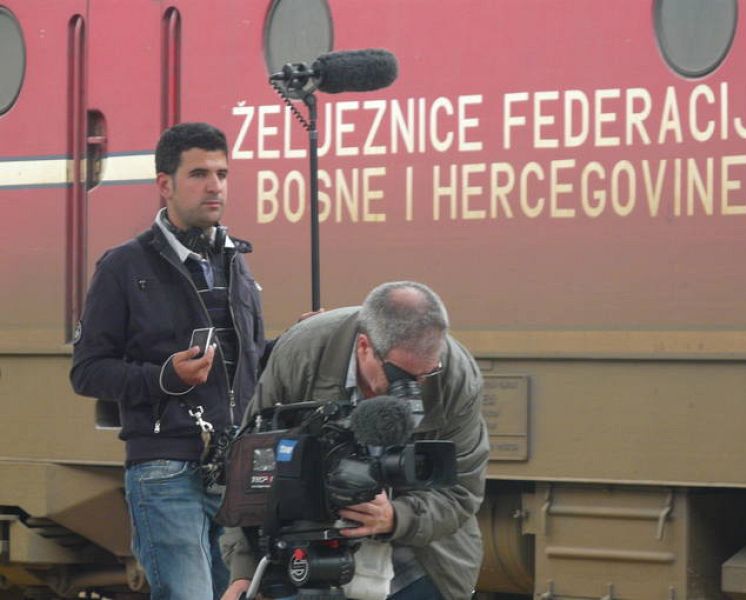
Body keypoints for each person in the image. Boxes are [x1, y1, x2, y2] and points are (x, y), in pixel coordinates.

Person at [71, 122, 274, 600]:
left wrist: (300, 340)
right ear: (165, 185)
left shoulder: (234, 262)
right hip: (164, 470)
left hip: (235, 469)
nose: (215, 186)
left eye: (222, 174)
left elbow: (249, 360)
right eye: (200, 173)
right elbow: (87, 371)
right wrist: (166, 377)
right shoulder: (122, 266)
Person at [221, 281, 490, 600]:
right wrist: (245, 570)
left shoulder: (456, 378)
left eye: (426, 376)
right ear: (364, 347)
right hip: (307, 541)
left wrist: (395, 517)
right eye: (402, 377)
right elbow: (251, 466)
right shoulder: (304, 353)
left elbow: (462, 491)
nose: (414, 392)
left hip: (419, 557)